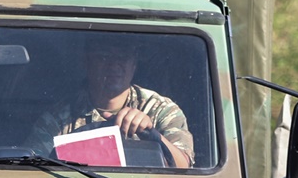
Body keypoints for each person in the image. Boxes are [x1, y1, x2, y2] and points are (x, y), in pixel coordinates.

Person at [27, 36, 194, 168]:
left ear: (134, 63)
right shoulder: (59, 118)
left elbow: (184, 167)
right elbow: (34, 170)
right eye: (104, 57)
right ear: (87, 62)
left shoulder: (159, 109)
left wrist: (154, 136)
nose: (114, 65)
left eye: (123, 57)